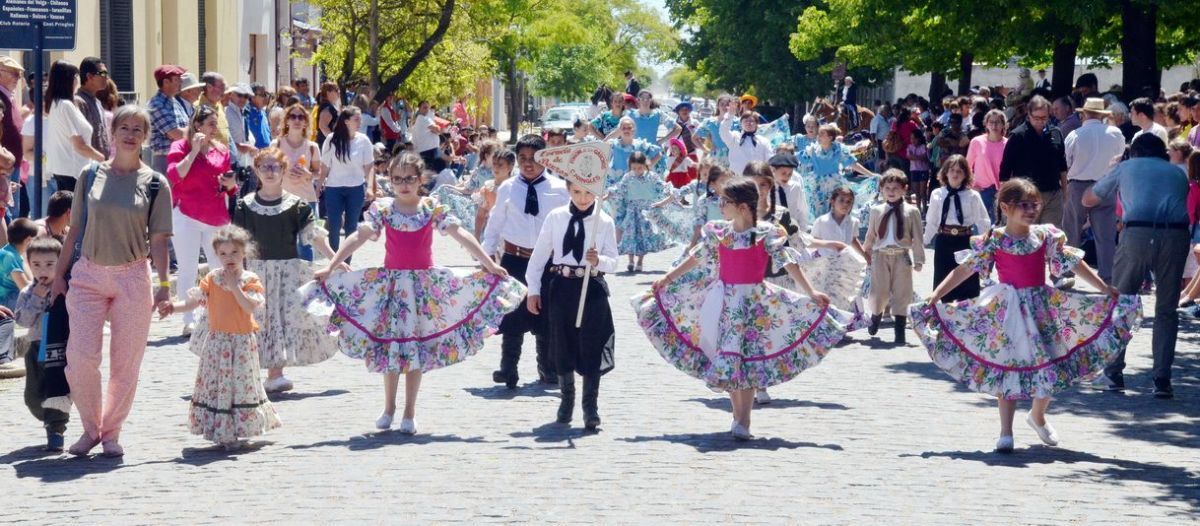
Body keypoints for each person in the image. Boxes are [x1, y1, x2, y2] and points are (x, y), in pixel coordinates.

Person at [911, 178, 1136, 454]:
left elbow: (1073, 263)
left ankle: (1038, 415)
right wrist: (936, 294)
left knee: (1049, 366)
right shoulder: (994, 239)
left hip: (1041, 306)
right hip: (1008, 311)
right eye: (1024, 205)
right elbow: (965, 269)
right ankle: (1006, 431)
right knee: (1008, 367)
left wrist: (1102, 287)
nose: (1031, 210)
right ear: (1006, 207)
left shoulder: (1044, 235)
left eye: (1034, 204)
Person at [305, 154, 523, 433]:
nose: (403, 185)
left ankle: (409, 411)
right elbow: (358, 236)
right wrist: (332, 265)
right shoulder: (384, 209)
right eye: (397, 179)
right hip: (392, 287)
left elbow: (461, 234)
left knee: (415, 348)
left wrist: (489, 262)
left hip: (423, 288)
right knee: (391, 346)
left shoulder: (430, 208)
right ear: (391, 181)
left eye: (409, 179)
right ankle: (388, 407)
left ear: (421, 180)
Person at [633, 178, 842, 440]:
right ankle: (737, 415)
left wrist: (810, 292)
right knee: (729, 356)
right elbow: (696, 257)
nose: (720, 205)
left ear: (743, 207)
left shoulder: (767, 233)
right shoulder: (719, 231)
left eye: (725, 202)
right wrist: (668, 278)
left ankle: (745, 419)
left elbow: (788, 263)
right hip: (725, 301)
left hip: (755, 302)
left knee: (749, 356)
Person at [51, 105, 173, 457]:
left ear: (145, 136)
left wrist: (164, 287)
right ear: (113, 133)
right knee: (80, 357)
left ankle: (111, 432)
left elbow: (161, 240)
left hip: (133, 278)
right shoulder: (90, 175)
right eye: (124, 127)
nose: (131, 133)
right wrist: (59, 275)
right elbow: (73, 231)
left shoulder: (154, 183)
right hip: (88, 275)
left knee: (126, 363)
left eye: (138, 128)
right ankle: (90, 428)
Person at [1084, 134, 1190, 398]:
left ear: (1136, 152)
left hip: (1137, 234)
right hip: (1175, 236)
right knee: (1167, 310)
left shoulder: (1126, 167)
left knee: (1122, 303)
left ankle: (1113, 373)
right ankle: (1162, 379)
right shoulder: (1178, 173)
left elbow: (1089, 199)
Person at [161, 225, 280, 450]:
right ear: (216, 255)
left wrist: (235, 287)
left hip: (242, 343)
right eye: (223, 254)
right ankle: (223, 430)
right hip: (217, 343)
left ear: (244, 252)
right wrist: (172, 308)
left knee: (240, 385)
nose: (229, 258)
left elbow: (248, 307)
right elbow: (194, 302)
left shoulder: (250, 279)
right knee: (218, 386)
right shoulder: (212, 279)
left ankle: (238, 427)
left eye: (234, 252)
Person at [231, 148, 339, 393]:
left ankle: (275, 374)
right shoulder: (245, 205)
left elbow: (313, 235)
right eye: (265, 167)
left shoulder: (296, 205)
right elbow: (237, 242)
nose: (270, 172)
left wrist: (335, 260)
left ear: (283, 171)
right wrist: (234, 272)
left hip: (287, 272)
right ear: (257, 171)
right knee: (258, 319)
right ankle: (247, 373)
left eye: (275, 167)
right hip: (256, 271)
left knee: (281, 319)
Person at [526, 180, 618, 430]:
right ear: (568, 190)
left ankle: (590, 407)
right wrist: (533, 290)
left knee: (592, 344)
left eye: (589, 193)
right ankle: (566, 401)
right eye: (577, 192)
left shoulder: (604, 221)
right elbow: (539, 256)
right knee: (562, 342)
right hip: (563, 287)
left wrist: (599, 260)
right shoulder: (556, 217)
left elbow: (614, 261)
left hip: (592, 289)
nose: (583, 198)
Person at [481, 134, 570, 388]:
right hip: (515, 259)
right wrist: (487, 255)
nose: (528, 164)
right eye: (523, 159)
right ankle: (508, 368)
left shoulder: (559, 188)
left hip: (547, 262)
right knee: (512, 315)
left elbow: (570, 221)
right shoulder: (508, 187)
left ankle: (548, 367)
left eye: (534, 158)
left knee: (547, 315)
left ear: (545, 158)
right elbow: (495, 223)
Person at [167, 105, 236, 335]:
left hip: (216, 216)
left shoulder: (222, 150)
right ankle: (189, 319)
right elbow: (175, 175)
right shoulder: (180, 146)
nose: (216, 128)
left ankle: (218, 313)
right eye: (211, 124)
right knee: (188, 268)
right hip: (187, 214)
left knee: (219, 266)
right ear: (198, 125)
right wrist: (194, 150)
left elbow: (229, 186)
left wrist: (230, 185)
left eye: (216, 124)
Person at [1063, 98, 1126, 283]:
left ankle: (1066, 271)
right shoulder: (1116, 133)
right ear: (1102, 114)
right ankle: (1108, 275)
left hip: (1078, 184)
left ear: (1084, 113)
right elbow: (1119, 158)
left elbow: (1068, 162)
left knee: (1071, 231)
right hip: (1106, 185)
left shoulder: (1075, 134)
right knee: (1105, 234)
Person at [17, 237, 67, 451]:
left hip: (60, 348)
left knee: (57, 391)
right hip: (36, 346)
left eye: (49, 264)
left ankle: (56, 429)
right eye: (36, 264)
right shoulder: (27, 292)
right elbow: (22, 321)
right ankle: (46, 416)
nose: (42, 269)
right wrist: (37, 298)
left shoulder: (66, 288)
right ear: (28, 264)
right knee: (33, 396)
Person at [862, 170, 924, 344]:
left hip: (901, 256)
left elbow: (917, 237)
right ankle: (876, 314)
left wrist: (919, 259)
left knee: (902, 293)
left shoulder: (912, 211)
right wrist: (865, 252)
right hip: (880, 256)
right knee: (879, 291)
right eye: (887, 188)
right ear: (881, 189)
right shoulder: (876, 210)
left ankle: (900, 330)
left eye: (895, 188)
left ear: (904, 189)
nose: (891, 191)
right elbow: (871, 234)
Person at [923, 155, 990, 303]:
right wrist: (923, 242)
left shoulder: (972, 195)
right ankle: (946, 319)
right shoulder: (937, 194)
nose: (955, 174)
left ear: (965, 174)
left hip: (965, 240)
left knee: (967, 283)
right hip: (944, 240)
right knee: (943, 280)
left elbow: (983, 221)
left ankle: (966, 318)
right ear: (945, 172)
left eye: (959, 171)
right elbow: (932, 222)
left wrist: (984, 246)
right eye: (952, 170)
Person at [999, 95, 1067, 231]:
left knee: (1051, 236)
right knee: (1027, 234)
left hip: (1053, 194)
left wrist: (1065, 192)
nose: (1040, 122)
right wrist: (1006, 199)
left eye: (1044, 118)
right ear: (1028, 115)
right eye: (1036, 118)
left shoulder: (1056, 133)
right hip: (1026, 197)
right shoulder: (1018, 136)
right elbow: (1005, 171)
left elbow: (1062, 166)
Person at [319, 106, 376, 254]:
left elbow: (369, 167)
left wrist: (370, 187)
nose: (359, 123)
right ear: (346, 122)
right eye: (356, 119)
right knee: (334, 225)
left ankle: (346, 262)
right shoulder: (332, 139)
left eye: (360, 120)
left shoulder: (364, 141)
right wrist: (318, 185)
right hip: (334, 188)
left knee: (351, 227)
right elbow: (324, 166)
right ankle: (333, 260)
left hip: (355, 188)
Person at [45, 61, 106, 193]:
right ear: (71, 79)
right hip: (72, 172)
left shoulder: (56, 104)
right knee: (76, 212)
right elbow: (79, 145)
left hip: (64, 170)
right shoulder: (65, 105)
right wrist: (103, 159)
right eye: (76, 76)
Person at [798, 124, 878, 221]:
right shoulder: (812, 149)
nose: (818, 136)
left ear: (830, 137)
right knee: (819, 214)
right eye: (818, 134)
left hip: (834, 184)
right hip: (817, 186)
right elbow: (798, 157)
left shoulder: (838, 149)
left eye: (822, 134)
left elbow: (853, 164)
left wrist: (871, 175)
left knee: (836, 212)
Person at [608, 152, 673, 272]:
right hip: (632, 212)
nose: (637, 170)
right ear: (630, 166)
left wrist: (670, 193)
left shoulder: (652, 176)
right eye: (634, 168)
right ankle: (631, 261)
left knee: (643, 236)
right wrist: (609, 193)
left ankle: (640, 261)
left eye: (640, 168)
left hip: (646, 213)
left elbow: (661, 187)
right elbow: (620, 189)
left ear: (645, 165)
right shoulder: (628, 177)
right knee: (630, 235)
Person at [966, 109, 1008, 222]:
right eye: (991, 122)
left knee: (999, 228)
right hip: (982, 190)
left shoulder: (1008, 144)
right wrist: (971, 185)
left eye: (998, 122)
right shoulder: (977, 142)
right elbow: (966, 166)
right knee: (980, 228)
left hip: (1002, 192)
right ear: (986, 124)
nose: (994, 125)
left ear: (1003, 124)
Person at [606, 117, 662, 186]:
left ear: (634, 130)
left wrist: (646, 168)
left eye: (629, 128)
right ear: (619, 130)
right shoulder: (613, 144)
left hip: (635, 184)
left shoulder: (641, 145)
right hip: (616, 182)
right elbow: (599, 148)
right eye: (623, 128)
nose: (626, 130)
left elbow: (659, 154)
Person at [75, 57, 111, 158]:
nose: (106, 78)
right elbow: (79, 140)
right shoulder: (78, 102)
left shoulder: (98, 102)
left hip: (101, 163)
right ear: (89, 76)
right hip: (88, 164)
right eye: (103, 74)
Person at [719, 109, 771, 176]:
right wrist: (730, 115)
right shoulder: (734, 137)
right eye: (746, 121)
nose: (748, 123)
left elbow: (769, 160)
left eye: (752, 121)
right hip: (736, 177)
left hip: (757, 177)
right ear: (741, 124)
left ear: (757, 124)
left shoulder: (764, 141)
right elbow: (723, 131)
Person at [768, 151, 810, 234]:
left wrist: (803, 230)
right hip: (773, 231)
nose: (787, 176)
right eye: (783, 173)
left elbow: (802, 210)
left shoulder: (796, 187)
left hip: (792, 230)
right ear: (774, 170)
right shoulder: (767, 189)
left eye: (790, 174)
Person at [0, 218, 36, 308]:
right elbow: (23, 286)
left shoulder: (9, 250)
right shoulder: (10, 256)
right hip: (5, 300)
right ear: (28, 239)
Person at [693, 95, 732, 167]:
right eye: (722, 104)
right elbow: (694, 138)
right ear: (717, 106)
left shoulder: (737, 122)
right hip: (716, 159)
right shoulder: (710, 122)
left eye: (727, 105)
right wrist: (706, 150)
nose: (724, 107)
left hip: (733, 159)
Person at [196, 72, 231, 144]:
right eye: (222, 87)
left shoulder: (219, 104)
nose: (225, 91)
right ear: (209, 87)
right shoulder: (197, 106)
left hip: (224, 153)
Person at [906, 131, 931, 212]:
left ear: (919, 139)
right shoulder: (909, 146)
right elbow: (909, 156)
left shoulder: (924, 146)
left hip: (923, 170)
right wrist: (919, 157)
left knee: (922, 192)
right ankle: (918, 210)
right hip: (914, 171)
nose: (912, 140)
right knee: (916, 192)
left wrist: (914, 157)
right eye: (911, 138)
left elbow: (925, 158)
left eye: (914, 138)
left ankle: (924, 209)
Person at [410, 100, 440, 165]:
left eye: (427, 108)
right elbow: (437, 130)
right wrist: (437, 128)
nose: (427, 110)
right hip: (428, 151)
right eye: (424, 107)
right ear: (419, 109)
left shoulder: (421, 119)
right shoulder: (424, 119)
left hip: (426, 151)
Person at [247, 83, 273, 149]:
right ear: (252, 96)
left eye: (265, 94)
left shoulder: (263, 112)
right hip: (254, 154)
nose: (265, 97)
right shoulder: (246, 113)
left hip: (267, 153)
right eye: (262, 95)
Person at [315, 82, 341, 147]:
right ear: (328, 92)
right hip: (325, 145)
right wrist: (333, 140)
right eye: (336, 90)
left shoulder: (329, 106)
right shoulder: (327, 107)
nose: (338, 92)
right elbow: (323, 126)